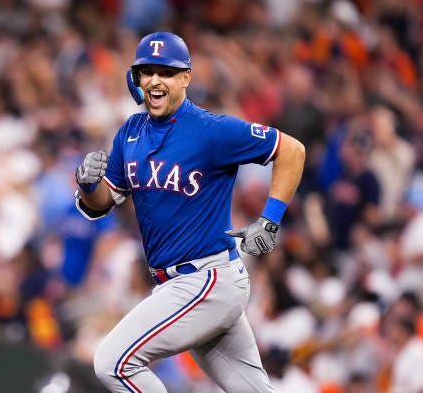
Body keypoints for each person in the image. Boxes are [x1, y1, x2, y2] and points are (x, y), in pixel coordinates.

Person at [74, 31, 305, 392]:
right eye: (147, 71)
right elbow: (103, 204)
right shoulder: (129, 133)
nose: (154, 80)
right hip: (184, 285)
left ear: (185, 77)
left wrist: (270, 219)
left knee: (113, 363)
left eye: (165, 72)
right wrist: (89, 186)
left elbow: (291, 150)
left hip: (206, 280)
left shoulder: (211, 130)